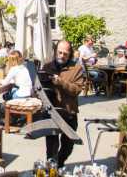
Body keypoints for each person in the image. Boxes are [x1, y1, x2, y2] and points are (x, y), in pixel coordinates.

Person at [41, 40, 87, 168]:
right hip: (51, 112)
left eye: (65, 54)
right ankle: (52, 168)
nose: (62, 55)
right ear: (56, 51)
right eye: (59, 52)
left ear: (70, 54)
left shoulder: (76, 69)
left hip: (68, 112)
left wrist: (61, 82)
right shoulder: (47, 66)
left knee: (68, 145)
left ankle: (60, 162)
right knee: (51, 146)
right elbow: (40, 87)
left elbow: (77, 90)